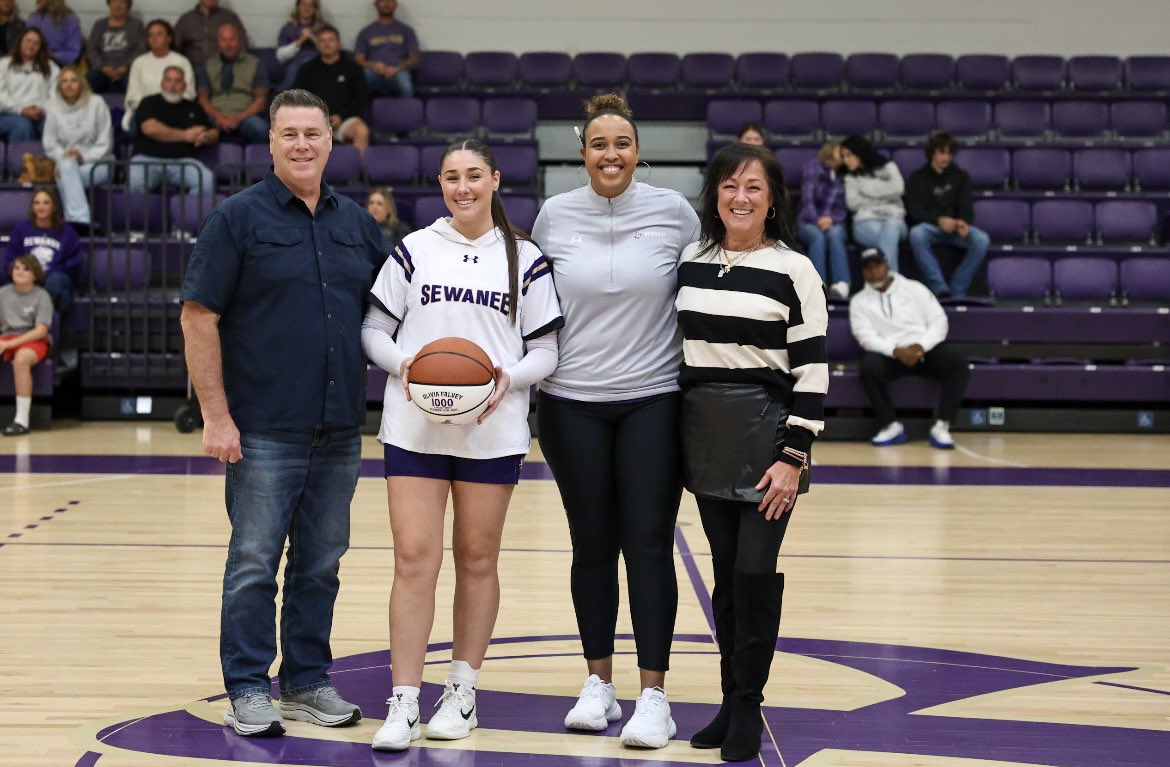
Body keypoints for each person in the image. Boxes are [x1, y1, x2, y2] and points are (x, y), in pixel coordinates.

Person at [179, 88, 383, 738]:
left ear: (330, 141)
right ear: (270, 142)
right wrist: (216, 415)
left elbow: (399, 305)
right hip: (263, 427)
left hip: (339, 427)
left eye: (312, 133)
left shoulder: (356, 224)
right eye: (289, 133)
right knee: (254, 563)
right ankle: (246, 686)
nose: (301, 144)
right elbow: (198, 316)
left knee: (321, 563)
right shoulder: (236, 219)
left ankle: (305, 681)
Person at [363, 138, 563, 753]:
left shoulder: (525, 258)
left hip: (492, 428)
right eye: (452, 177)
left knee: (477, 558)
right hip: (414, 427)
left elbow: (546, 351)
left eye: (474, 175)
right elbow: (374, 330)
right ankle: (403, 699)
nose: (463, 187)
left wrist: (507, 379)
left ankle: (462, 691)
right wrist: (407, 368)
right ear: (440, 185)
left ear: (495, 180)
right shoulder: (415, 249)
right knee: (413, 559)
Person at [531, 93, 700, 749]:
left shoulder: (674, 212)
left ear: (638, 152)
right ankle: (598, 683)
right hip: (570, 403)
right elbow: (534, 303)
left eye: (622, 143)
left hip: (653, 400)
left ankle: (654, 695)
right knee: (592, 545)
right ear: (583, 153)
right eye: (599, 144)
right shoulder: (554, 215)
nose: (611, 154)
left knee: (649, 544)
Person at [677, 142, 827, 762]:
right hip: (705, 434)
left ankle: (748, 704)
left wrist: (794, 456)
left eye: (754, 188)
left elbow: (813, 369)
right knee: (724, 576)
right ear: (715, 194)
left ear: (771, 201)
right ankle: (727, 698)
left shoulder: (795, 269)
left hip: (769, 436)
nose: (740, 198)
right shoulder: (691, 259)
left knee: (754, 573)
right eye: (730, 186)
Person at [849, 248, 967, 449]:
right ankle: (890, 425)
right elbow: (865, 336)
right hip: (890, 355)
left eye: (877, 266)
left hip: (923, 350)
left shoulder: (915, 288)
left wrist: (921, 346)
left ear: (887, 265)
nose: (874, 271)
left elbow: (939, 321)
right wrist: (896, 351)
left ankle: (942, 426)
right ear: (863, 272)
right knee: (869, 366)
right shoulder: (858, 301)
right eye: (868, 268)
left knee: (957, 361)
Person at [906, 132, 991, 299]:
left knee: (981, 240)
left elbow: (966, 207)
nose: (946, 157)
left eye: (950, 153)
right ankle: (939, 287)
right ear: (932, 153)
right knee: (916, 234)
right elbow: (916, 211)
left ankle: (958, 287)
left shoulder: (961, 176)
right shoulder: (918, 178)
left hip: (955, 228)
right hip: (931, 226)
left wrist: (962, 222)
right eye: (942, 153)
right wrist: (938, 220)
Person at [128, 65, 217, 199]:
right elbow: (150, 129)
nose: (172, 85)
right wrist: (186, 135)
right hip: (147, 159)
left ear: (185, 85)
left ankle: (187, 212)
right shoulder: (149, 102)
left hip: (183, 161)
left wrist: (205, 136)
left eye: (177, 81)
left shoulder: (194, 107)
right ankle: (146, 212)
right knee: (135, 180)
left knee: (207, 180)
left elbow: (214, 131)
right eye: (168, 80)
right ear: (162, 83)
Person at [43, 65, 114, 228]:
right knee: (67, 167)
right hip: (66, 162)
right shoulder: (53, 107)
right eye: (64, 81)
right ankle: (81, 222)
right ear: (59, 86)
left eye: (73, 80)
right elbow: (50, 144)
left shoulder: (97, 103)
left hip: (99, 163)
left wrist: (83, 157)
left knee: (65, 177)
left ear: (81, 83)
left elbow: (106, 142)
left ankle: (76, 221)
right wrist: (66, 156)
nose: (69, 85)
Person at [3, 187, 82, 314]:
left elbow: (74, 263)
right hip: (27, 277)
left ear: (54, 207)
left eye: (46, 203)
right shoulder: (20, 229)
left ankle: (48, 321)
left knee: (55, 282)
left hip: (53, 279)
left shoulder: (67, 231)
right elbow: (10, 258)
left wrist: (46, 273)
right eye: (37, 203)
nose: (41, 207)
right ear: (32, 207)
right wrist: (26, 273)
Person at [293, 25, 369, 152]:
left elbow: (361, 98)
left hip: (344, 120)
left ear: (338, 44)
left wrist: (341, 116)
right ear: (318, 45)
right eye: (322, 41)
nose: (327, 44)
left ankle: (358, 166)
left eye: (331, 40)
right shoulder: (306, 69)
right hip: (313, 122)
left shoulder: (353, 68)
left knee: (362, 131)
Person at [0, 255, 53, 436]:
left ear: (35, 275)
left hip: (33, 340)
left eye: (25, 269)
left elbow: (41, 331)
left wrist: (11, 343)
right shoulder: (2, 293)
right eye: (16, 268)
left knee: (21, 359)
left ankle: (21, 421)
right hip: (6, 337)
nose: (20, 272)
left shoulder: (42, 296)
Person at [840, 134, 906, 273]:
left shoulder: (888, 166)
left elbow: (898, 189)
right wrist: (886, 195)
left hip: (895, 218)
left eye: (849, 155)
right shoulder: (850, 176)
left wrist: (867, 190)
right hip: (865, 221)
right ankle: (892, 279)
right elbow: (853, 203)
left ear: (859, 153)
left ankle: (888, 279)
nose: (845, 160)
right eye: (843, 156)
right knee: (889, 240)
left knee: (891, 227)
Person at [196, 23, 269, 144]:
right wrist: (218, 117)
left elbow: (260, 101)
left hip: (245, 117)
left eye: (232, 39)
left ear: (239, 41)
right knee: (193, 128)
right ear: (218, 43)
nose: (228, 44)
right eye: (224, 40)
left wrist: (238, 118)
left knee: (261, 129)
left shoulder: (255, 64)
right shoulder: (208, 65)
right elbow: (202, 99)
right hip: (214, 117)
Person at [796, 140, 851, 298]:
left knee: (835, 234)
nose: (843, 157)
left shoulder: (843, 176)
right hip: (808, 220)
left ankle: (842, 283)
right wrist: (817, 219)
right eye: (840, 153)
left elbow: (843, 208)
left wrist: (831, 219)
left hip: (833, 222)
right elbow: (807, 199)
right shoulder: (813, 167)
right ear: (831, 150)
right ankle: (818, 283)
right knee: (817, 236)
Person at [123, 19, 196, 133]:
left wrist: (169, 109)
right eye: (150, 35)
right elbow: (133, 96)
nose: (154, 38)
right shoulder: (139, 62)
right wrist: (151, 110)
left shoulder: (182, 61)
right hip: (146, 114)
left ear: (169, 38)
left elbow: (189, 93)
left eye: (159, 34)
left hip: (177, 112)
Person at [0, 27, 58, 142]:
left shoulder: (50, 66)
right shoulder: (4, 64)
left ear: (40, 47)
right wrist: (20, 109)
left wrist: (43, 109)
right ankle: (20, 155)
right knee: (22, 126)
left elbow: (57, 93)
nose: (31, 45)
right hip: (8, 113)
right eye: (28, 41)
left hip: (40, 113)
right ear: (20, 42)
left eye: (36, 43)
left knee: (52, 124)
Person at [354, 0, 418, 98]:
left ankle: (408, 108)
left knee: (406, 85)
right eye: (383, 1)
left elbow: (415, 59)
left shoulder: (407, 31)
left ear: (395, 4)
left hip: (399, 72)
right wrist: (373, 65)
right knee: (359, 82)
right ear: (376, 5)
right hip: (373, 72)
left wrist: (397, 68)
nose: (387, 4)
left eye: (390, 1)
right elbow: (358, 59)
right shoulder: (365, 32)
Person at [85, 0, 146, 93]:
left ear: (128, 6)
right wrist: (102, 67)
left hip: (127, 69)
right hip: (102, 69)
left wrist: (126, 66)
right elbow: (91, 49)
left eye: (122, 2)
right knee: (88, 81)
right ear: (109, 4)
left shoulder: (136, 25)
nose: (118, 5)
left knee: (135, 83)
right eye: (114, 1)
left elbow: (140, 49)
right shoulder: (99, 25)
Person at [174, 0, 247, 69]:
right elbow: (175, 47)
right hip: (194, 69)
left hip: (223, 69)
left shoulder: (229, 17)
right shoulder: (186, 19)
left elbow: (242, 45)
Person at [275, 0, 324, 93]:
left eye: (311, 5)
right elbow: (280, 56)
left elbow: (331, 51)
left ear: (315, 9)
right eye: (304, 4)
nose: (307, 8)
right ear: (298, 7)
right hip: (294, 68)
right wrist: (301, 40)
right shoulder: (288, 28)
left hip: (319, 66)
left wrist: (312, 37)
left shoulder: (324, 28)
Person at [25, 0, 80, 66]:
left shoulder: (70, 20)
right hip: (35, 62)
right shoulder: (34, 19)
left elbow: (73, 54)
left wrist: (53, 55)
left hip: (60, 65)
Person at [366, 186, 411, 254]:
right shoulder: (360, 229)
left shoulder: (401, 230)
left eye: (379, 204)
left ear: (388, 209)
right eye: (371, 203)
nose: (374, 207)